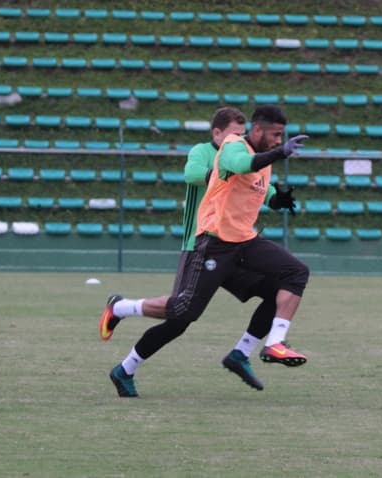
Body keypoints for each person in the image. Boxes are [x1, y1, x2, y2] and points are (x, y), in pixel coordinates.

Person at [99, 106, 303, 396]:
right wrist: (223, 172)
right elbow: (194, 173)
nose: (237, 136)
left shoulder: (252, 155)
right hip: (203, 244)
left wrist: (276, 199)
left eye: (241, 131)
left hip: (239, 245)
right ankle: (121, 325)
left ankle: (242, 353)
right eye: (233, 132)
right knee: (181, 317)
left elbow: (258, 185)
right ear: (217, 133)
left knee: (279, 288)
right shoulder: (216, 151)